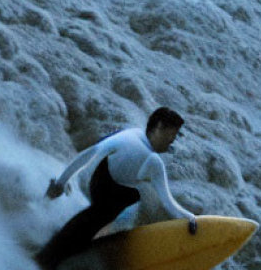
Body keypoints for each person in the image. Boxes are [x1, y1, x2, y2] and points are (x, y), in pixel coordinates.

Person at [35, 107, 198, 269]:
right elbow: (89, 154)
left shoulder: (133, 134)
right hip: (104, 190)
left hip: (99, 183)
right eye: (172, 133)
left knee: (127, 199)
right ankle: (51, 258)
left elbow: (89, 154)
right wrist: (61, 183)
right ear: (160, 127)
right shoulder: (146, 155)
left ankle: (78, 244)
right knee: (98, 216)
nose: (174, 139)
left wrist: (60, 183)